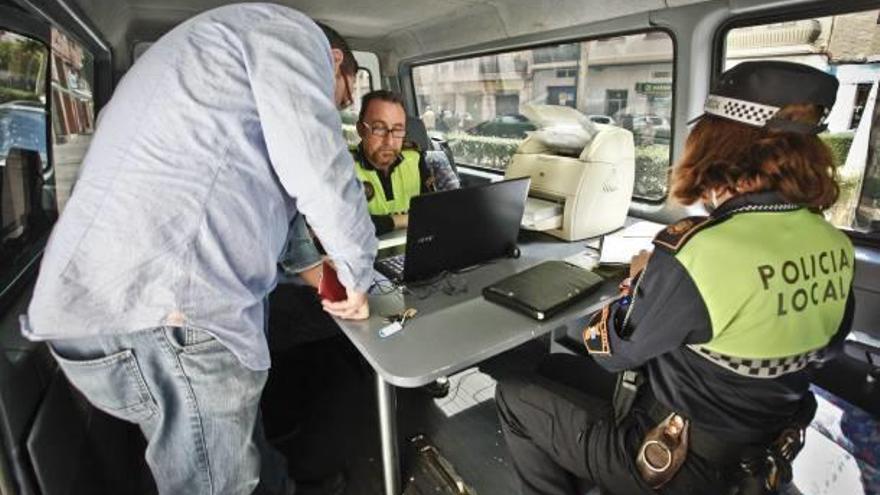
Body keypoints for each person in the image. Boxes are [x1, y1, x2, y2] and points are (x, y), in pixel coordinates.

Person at [20, 5, 375, 495]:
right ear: (334, 60)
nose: (338, 107)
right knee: (215, 483)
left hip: (99, 309)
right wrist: (359, 273)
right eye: (342, 95)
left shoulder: (201, 62)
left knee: (233, 451)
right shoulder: (292, 34)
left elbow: (284, 201)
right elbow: (320, 171)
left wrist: (323, 274)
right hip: (175, 311)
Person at [495, 60, 854, 495]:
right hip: (765, 451)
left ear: (722, 144)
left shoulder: (698, 251)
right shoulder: (834, 244)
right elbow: (825, 346)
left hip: (678, 460)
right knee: (553, 367)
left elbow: (608, 352)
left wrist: (634, 283)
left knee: (514, 393)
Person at [353, 89, 459, 236]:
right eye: (379, 129)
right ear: (361, 129)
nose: (389, 141)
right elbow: (342, 229)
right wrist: (404, 220)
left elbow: (435, 213)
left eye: (398, 130)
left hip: (414, 252)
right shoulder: (340, 169)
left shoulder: (415, 160)